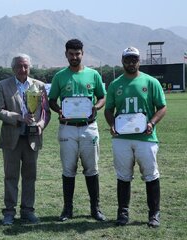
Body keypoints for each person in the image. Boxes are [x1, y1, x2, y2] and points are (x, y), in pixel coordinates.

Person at [104, 47, 167, 227]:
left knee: (151, 175)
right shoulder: (115, 84)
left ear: (139, 61)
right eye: (128, 60)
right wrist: (112, 125)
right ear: (122, 61)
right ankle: (122, 213)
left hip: (145, 138)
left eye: (134, 60)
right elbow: (109, 109)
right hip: (122, 138)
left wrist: (152, 123)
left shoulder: (151, 82)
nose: (131, 63)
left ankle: (154, 214)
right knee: (123, 175)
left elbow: (162, 107)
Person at [48, 39, 107, 222]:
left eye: (78, 54)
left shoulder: (93, 74)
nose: (74, 57)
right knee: (68, 170)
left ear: (83, 53)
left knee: (92, 169)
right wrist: (60, 111)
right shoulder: (59, 76)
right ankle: (67, 209)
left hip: (89, 127)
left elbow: (102, 97)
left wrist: (95, 108)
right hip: (68, 129)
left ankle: (95, 209)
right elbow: (52, 100)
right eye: (71, 54)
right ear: (66, 54)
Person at [0, 53, 50, 225]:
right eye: (19, 66)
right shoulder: (3, 85)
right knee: (10, 176)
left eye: (25, 66)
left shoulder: (39, 86)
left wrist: (40, 125)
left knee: (30, 177)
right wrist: (18, 117)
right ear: (13, 68)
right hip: (12, 139)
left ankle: (27, 210)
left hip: (32, 138)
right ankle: (9, 212)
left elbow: (45, 111)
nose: (22, 69)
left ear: (29, 67)